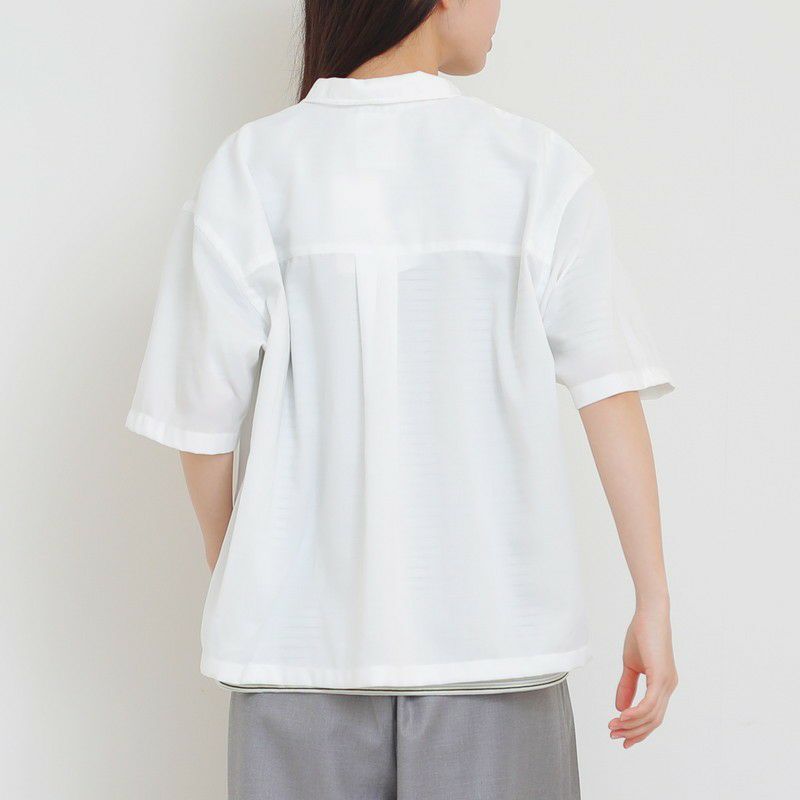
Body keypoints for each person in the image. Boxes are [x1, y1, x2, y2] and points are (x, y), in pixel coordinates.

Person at [125, 1, 679, 797]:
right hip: (497, 651)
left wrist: (246, 574)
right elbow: (609, 391)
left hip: (297, 667)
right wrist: (652, 599)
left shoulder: (252, 168)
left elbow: (200, 425)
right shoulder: (535, 167)